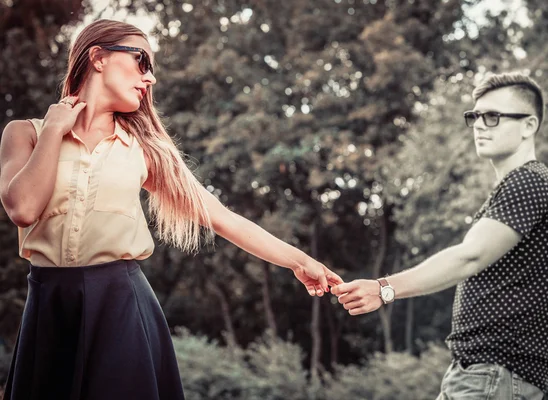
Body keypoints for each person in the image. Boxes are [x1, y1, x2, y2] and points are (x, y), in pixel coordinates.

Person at [0, 19, 342, 400]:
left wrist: (299, 261)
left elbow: (221, 217)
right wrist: (53, 130)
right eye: (141, 61)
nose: (150, 79)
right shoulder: (25, 133)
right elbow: (23, 209)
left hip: (121, 307)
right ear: (98, 57)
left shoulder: (145, 150)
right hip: (49, 307)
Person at [332, 72, 548, 399]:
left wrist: (384, 289)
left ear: (529, 125)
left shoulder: (529, 183)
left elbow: (469, 256)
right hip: (484, 373)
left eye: (493, 116)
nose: (481, 125)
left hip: (494, 374)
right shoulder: (516, 188)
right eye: (475, 116)